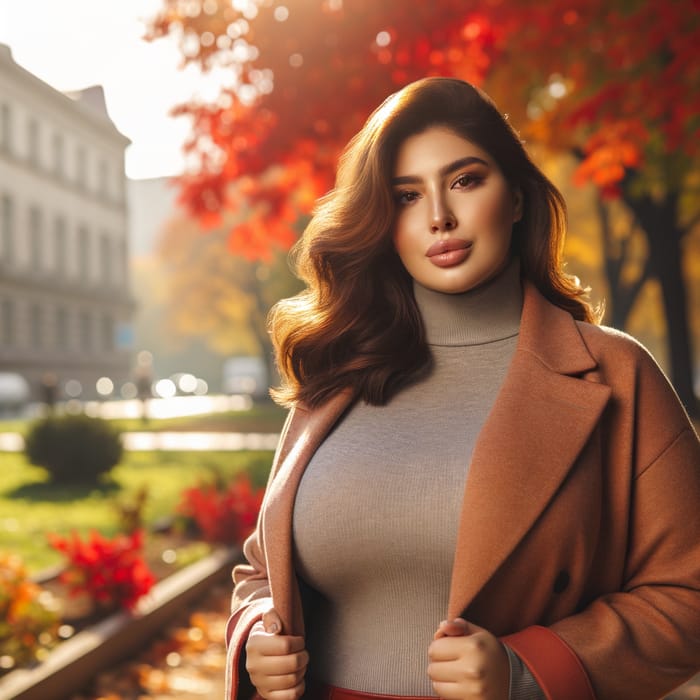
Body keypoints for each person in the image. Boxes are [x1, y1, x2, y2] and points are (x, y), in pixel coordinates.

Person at [225, 78, 700, 700]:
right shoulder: (336, 375)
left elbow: (688, 596)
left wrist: (527, 671)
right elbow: (262, 571)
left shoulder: (617, 374)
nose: (438, 217)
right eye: (405, 196)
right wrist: (254, 637)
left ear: (519, 198)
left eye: (465, 180)